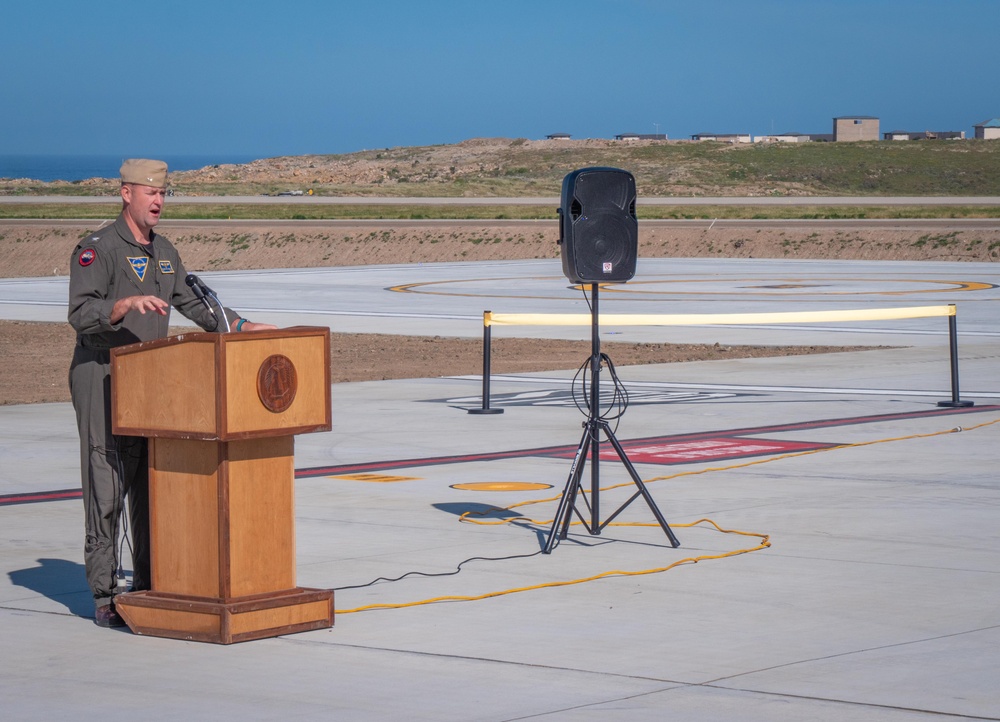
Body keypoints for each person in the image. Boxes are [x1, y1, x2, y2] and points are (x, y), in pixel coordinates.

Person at [68, 159, 275, 628]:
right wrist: (120, 306)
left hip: (152, 380)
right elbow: (80, 314)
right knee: (107, 482)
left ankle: (147, 583)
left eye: (164, 194)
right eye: (150, 193)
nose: (158, 201)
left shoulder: (165, 251)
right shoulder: (97, 249)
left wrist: (239, 327)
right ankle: (104, 595)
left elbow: (195, 303)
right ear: (126, 194)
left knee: (149, 482)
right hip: (102, 373)